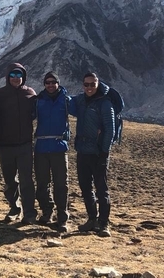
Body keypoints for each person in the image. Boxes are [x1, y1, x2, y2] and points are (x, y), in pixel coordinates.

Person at [0, 63, 38, 224]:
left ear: (23, 77)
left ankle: (29, 213)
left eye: (19, 75)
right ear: (7, 77)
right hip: (4, 145)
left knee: (26, 180)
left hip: (25, 143)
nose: (16, 78)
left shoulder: (30, 93)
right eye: (12, 75)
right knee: (10, 180)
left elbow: (37, 112)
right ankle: (14, 208)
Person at [71, 72, 115, 237]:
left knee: (101, 188)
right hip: (83, 150)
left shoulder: (105, 103)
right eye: (86, 84)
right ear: (83, 85)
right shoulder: (81, 101)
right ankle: (92, 219)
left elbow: (109, 130)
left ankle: (104, 224)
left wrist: (104, 152)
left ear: (97, 84)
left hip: (98, 153)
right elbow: (69, 101)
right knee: (85, 187)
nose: (89, 87)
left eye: (92, 84)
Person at [34, 71, 71, 233]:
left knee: (61, 184)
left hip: (59, 147)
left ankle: (62, 218)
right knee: (42, 184)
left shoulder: (66, 100)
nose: (50, 85)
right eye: (47, 82)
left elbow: (84, 110)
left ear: (58, 83)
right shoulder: (38, 100)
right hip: (41, 147)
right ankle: (47, 212)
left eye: (53, 82)